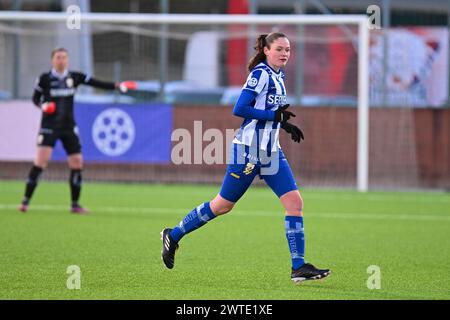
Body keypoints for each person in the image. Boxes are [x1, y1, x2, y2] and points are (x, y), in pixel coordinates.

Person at [161, 33, 330, 283]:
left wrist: (283, 125)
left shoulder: (279, 76)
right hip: (249, 151)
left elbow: (269, 111)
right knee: (222, 205)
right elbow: (239, 109)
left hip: (271, 152)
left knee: (295, 203)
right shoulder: (260, 74)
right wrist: (275, 118)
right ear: (266, 50)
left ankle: (298, 267)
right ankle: (173, 235)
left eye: (288, 50)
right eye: (280, 49)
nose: (285, 54)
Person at [18, 47, 135, 214]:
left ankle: (75, 204)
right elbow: (35, 99)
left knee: (77, 162)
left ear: (68, 60)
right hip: (49, 126)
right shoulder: (44, 79)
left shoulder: (74, 77)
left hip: (68, 126)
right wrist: (44, 106)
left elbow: (95, 83)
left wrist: (117, 86)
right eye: (58, 57)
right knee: (41, 162)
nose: (61, 60)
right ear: (53, 60)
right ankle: (25, 201)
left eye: (64, 57)